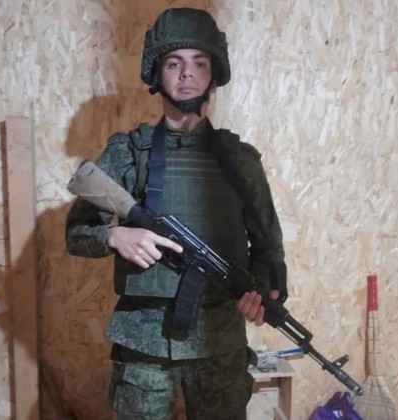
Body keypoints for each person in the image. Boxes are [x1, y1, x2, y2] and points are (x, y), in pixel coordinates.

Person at [66, 7, 287, 420]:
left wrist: (262, 295)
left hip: (219, 342)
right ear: (157, 72)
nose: (187, 74)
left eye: (199, 63)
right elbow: (77, 232)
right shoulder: (128, 152)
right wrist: (114, 236)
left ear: (213, 76)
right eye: (174, 63)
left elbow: (268, 248)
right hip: (144, 345)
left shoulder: (240, 161)